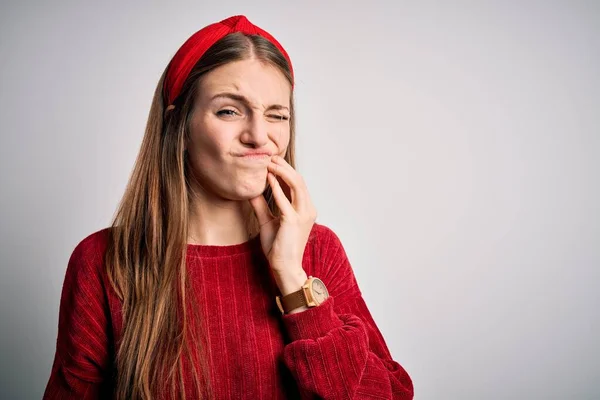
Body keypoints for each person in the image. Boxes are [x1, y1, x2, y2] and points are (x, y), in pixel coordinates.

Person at [42, 14, 414, 400]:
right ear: (179, 128)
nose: (259, 136)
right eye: (229, 111)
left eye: (277, 115)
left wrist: (291, 277)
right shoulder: (103, 262)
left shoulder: (318, 251)